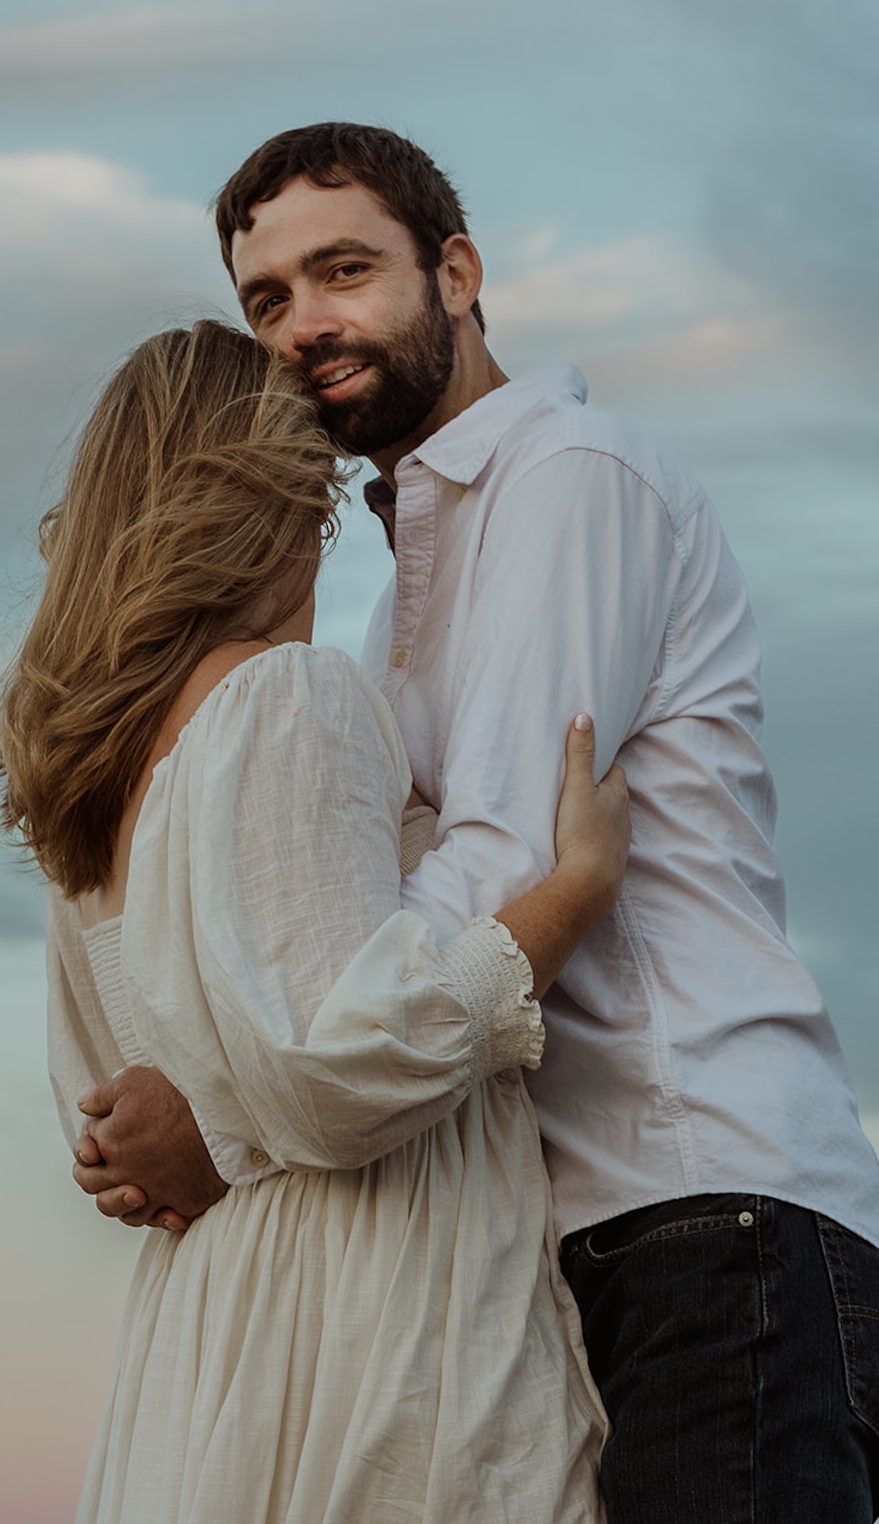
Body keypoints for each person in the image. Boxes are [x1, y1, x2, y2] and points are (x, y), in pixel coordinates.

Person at [73, 126, 879, 1524]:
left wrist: (233, 1119)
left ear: (457, 273)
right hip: (553, 1229)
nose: (304, 325)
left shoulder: (569, 477)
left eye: (343, 270)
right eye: (268, 299)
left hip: (697, 1202)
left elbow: (507, 860)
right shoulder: (395, 603)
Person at [0, 319, 631, 1522]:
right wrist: (567, 898)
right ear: (279, 496)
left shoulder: (88, 787)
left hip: (214, 1330)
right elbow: (343, 1067)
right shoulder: (286, 698)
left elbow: (115, 1104)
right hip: (365, 1296)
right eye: (322, 483)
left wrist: (216, 1130)